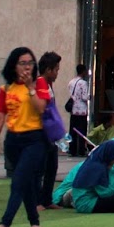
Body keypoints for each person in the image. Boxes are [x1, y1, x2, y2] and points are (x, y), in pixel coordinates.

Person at [0, 46, 51, 227]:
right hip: (13, 140)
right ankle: (35, 222)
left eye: (30, 63)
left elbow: (40, 108)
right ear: (14, 65)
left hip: (35, 139)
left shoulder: (39, 84)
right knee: (27, 182)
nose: (27, 67)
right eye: (23, 63)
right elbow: (0, 118)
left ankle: (5, 223)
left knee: (19, 180)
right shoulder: (6, 88)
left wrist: (30, 87)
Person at [69, 138, 114, 213]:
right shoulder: (97, 168)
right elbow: (105, 194)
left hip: (90, 200)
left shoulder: (96, 163)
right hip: (87, 204)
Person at [37, 51, 63, 210]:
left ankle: (46, 199)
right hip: (41, 132)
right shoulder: (40, 84)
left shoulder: (48, 85)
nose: (57, 73)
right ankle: (37, 201)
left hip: (50, 133)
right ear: (48, 70)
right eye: (56, 70)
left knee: (52, 166)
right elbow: (40, 110)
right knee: (40, 168)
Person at [67, 63, 91, 157]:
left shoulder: (71, 82)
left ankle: (72, 149)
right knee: (81, 131)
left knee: (73, 130)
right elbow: (84, 97)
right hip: (82, 110)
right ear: (83, 71)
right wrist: (90, 97)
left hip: (73, 109)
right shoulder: (83, 83)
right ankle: (81, 150)